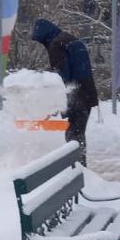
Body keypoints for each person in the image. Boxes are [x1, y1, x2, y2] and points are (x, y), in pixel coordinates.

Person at [31, 19, 99, 163]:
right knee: (78, 131)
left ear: (44, 36)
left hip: (76, 95)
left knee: (73, 134)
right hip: (87, 91)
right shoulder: (69, 39)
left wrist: (46, 82)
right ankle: (79, 164)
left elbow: (61, 74)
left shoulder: (56, 44)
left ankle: (78, 167)